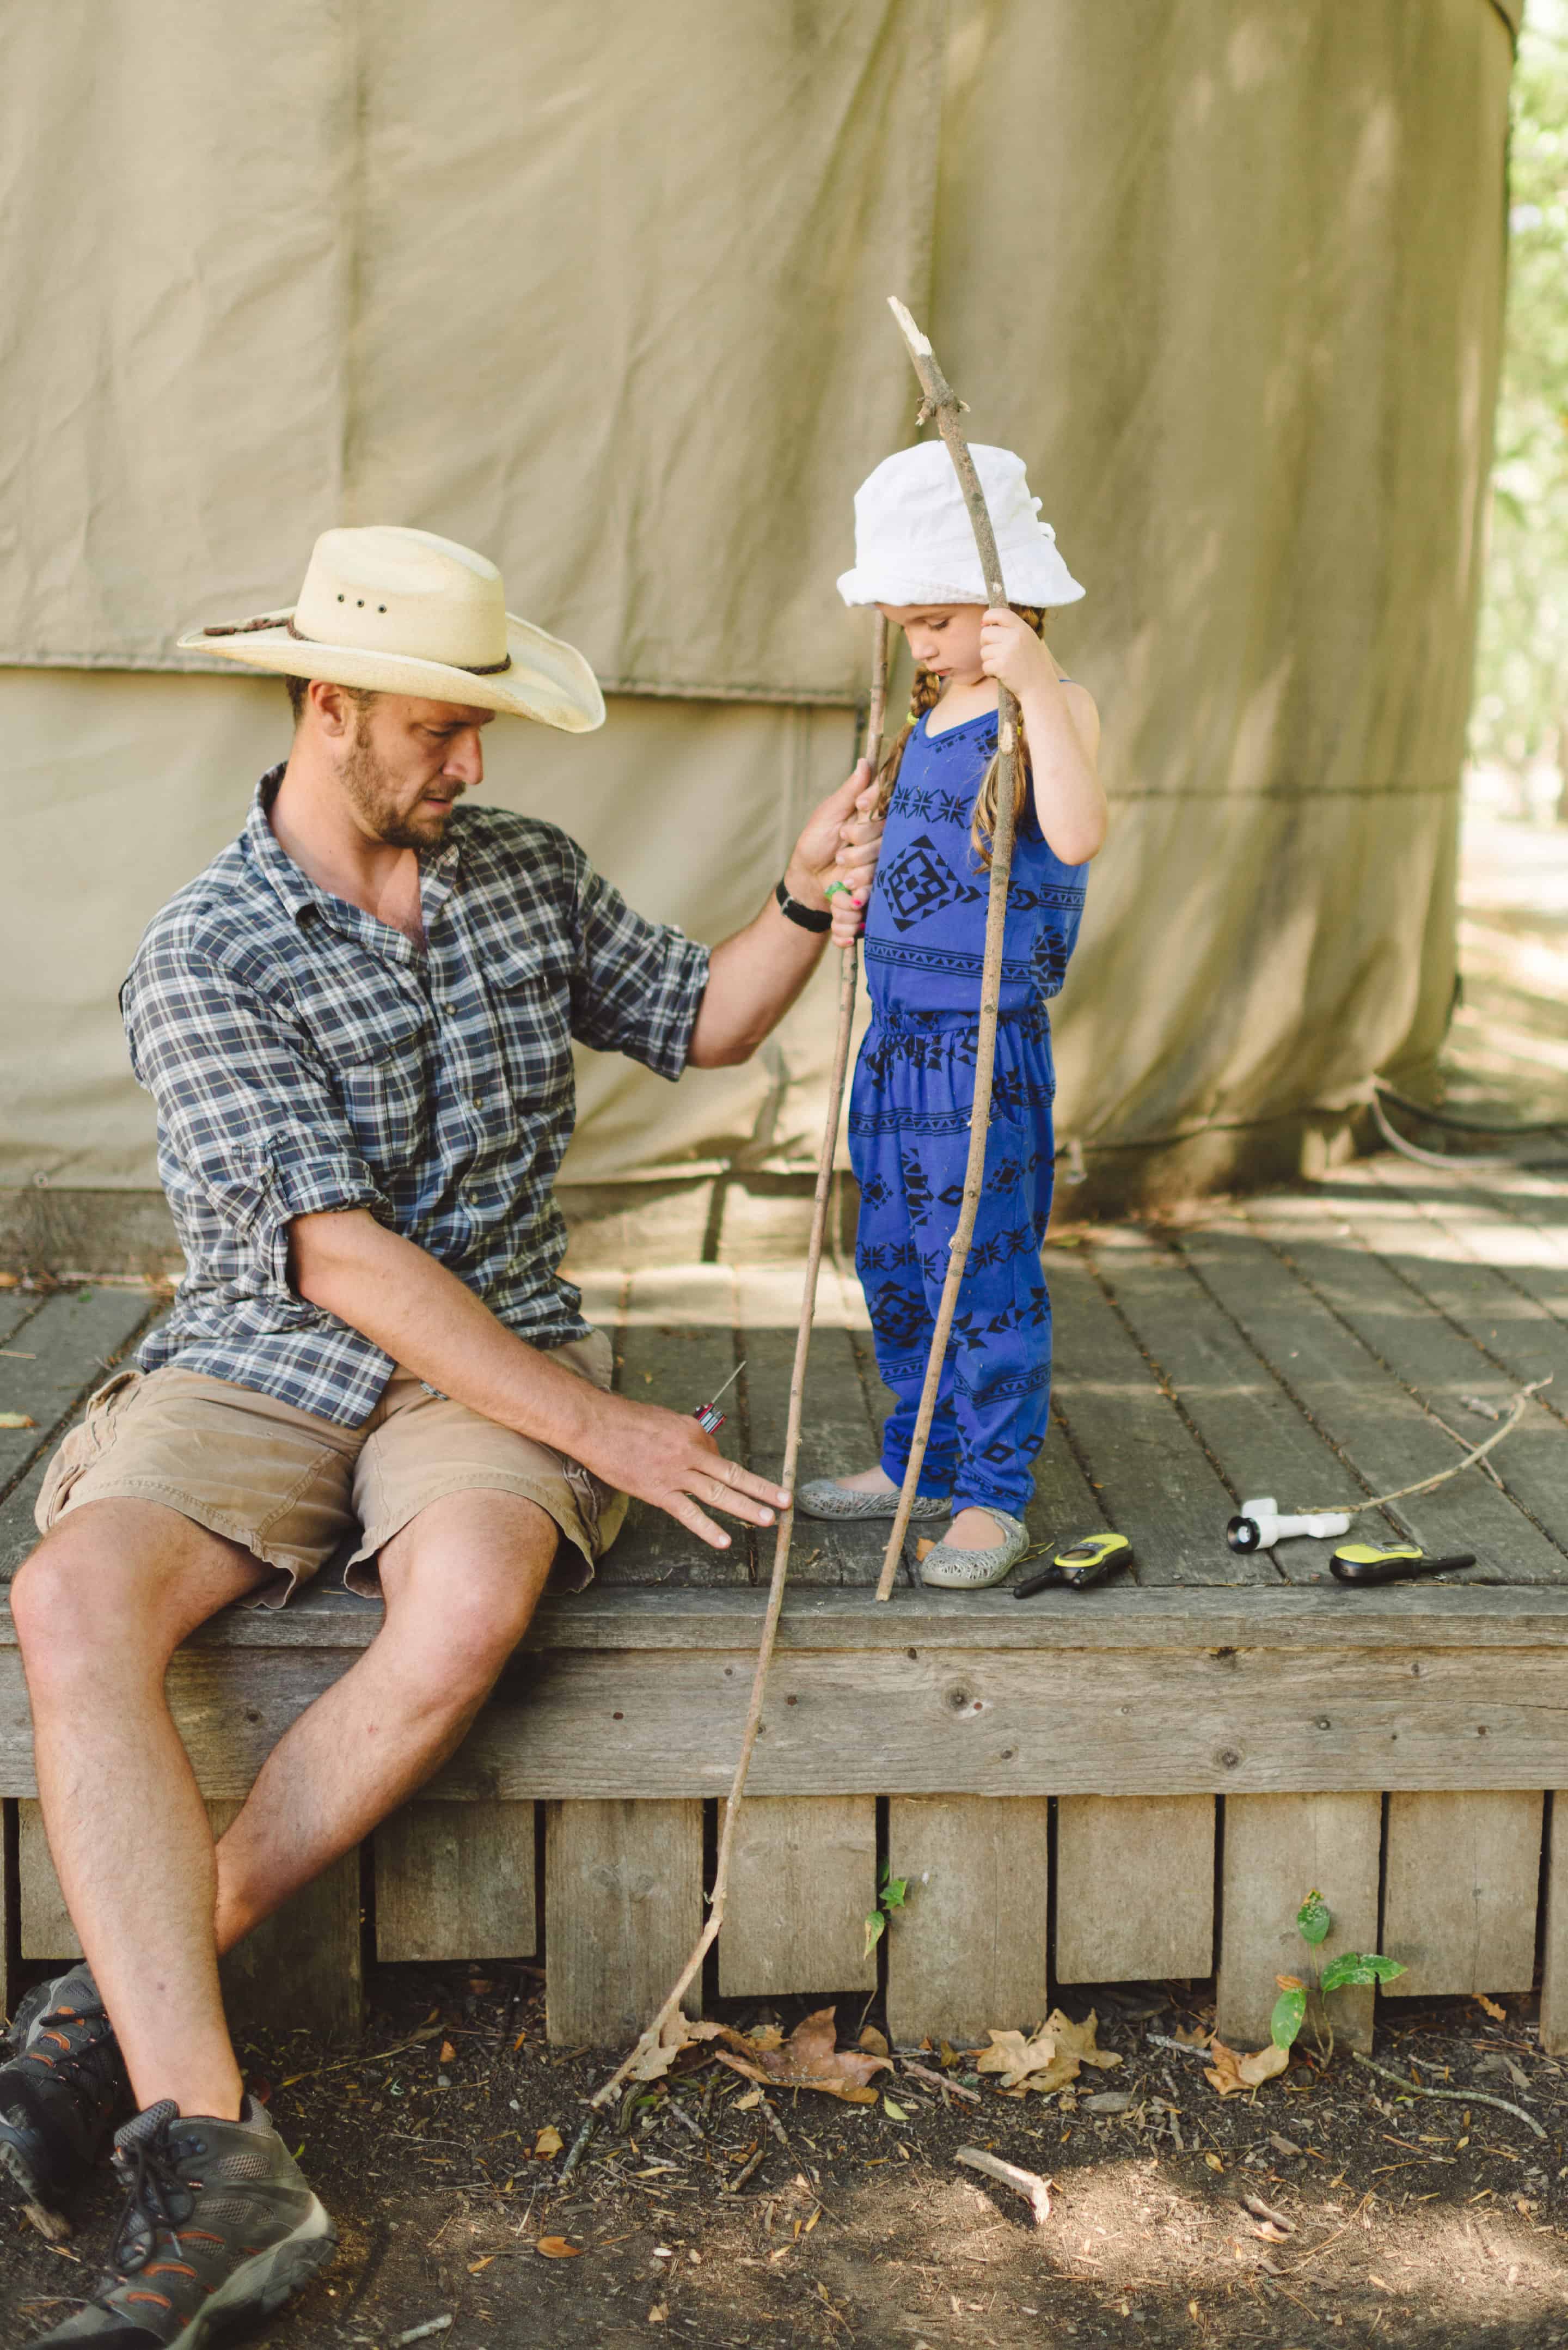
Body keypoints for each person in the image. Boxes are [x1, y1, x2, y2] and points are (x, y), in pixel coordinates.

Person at [2, 524, 880, 2347]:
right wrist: (605, 1429)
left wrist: (801, 903)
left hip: (499, 1351)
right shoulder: (205, 951)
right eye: (437, 729)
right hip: (269, 1351)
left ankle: (116, 2003)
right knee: (74, 1596)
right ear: (325, 708)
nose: (472, 765)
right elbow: (334, 1255)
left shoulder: (524, 875)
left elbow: (700, 1021)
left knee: (472, 1591)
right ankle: (221, 2150)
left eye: (483, 730)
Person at [798, 442, 1106, 1586]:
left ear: (1003, 601)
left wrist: (1032, 681)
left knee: (982, 1264)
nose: (916, 643)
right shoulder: (927, 718)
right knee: (897, 1257)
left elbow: (1073, 835)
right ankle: (918, 1452)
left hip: (982, 1047)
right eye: (904, 623)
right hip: (898, 1040)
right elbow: (925, 869)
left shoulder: (1046, 712)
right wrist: (859, 897)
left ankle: (993, 1488)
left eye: (933, 619)